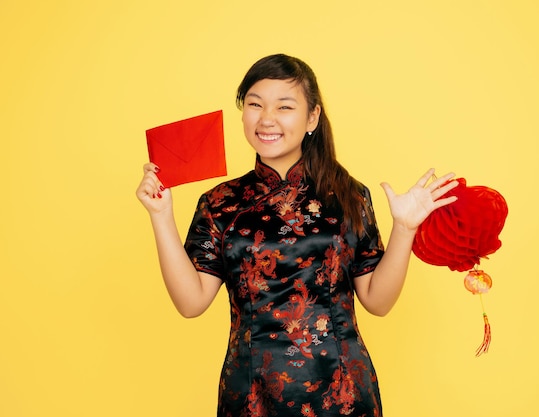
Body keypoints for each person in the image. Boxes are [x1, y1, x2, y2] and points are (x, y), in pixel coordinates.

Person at [136, 53, 458, 417]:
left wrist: (405, 229)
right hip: (250, 395)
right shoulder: (219, 203)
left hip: (343, 393)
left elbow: (377, 301)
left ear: (312, 117)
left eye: (284, 106)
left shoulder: (348, 194)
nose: (267, 119)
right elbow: (190, 303)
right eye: (255, 104)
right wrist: (161, 216)